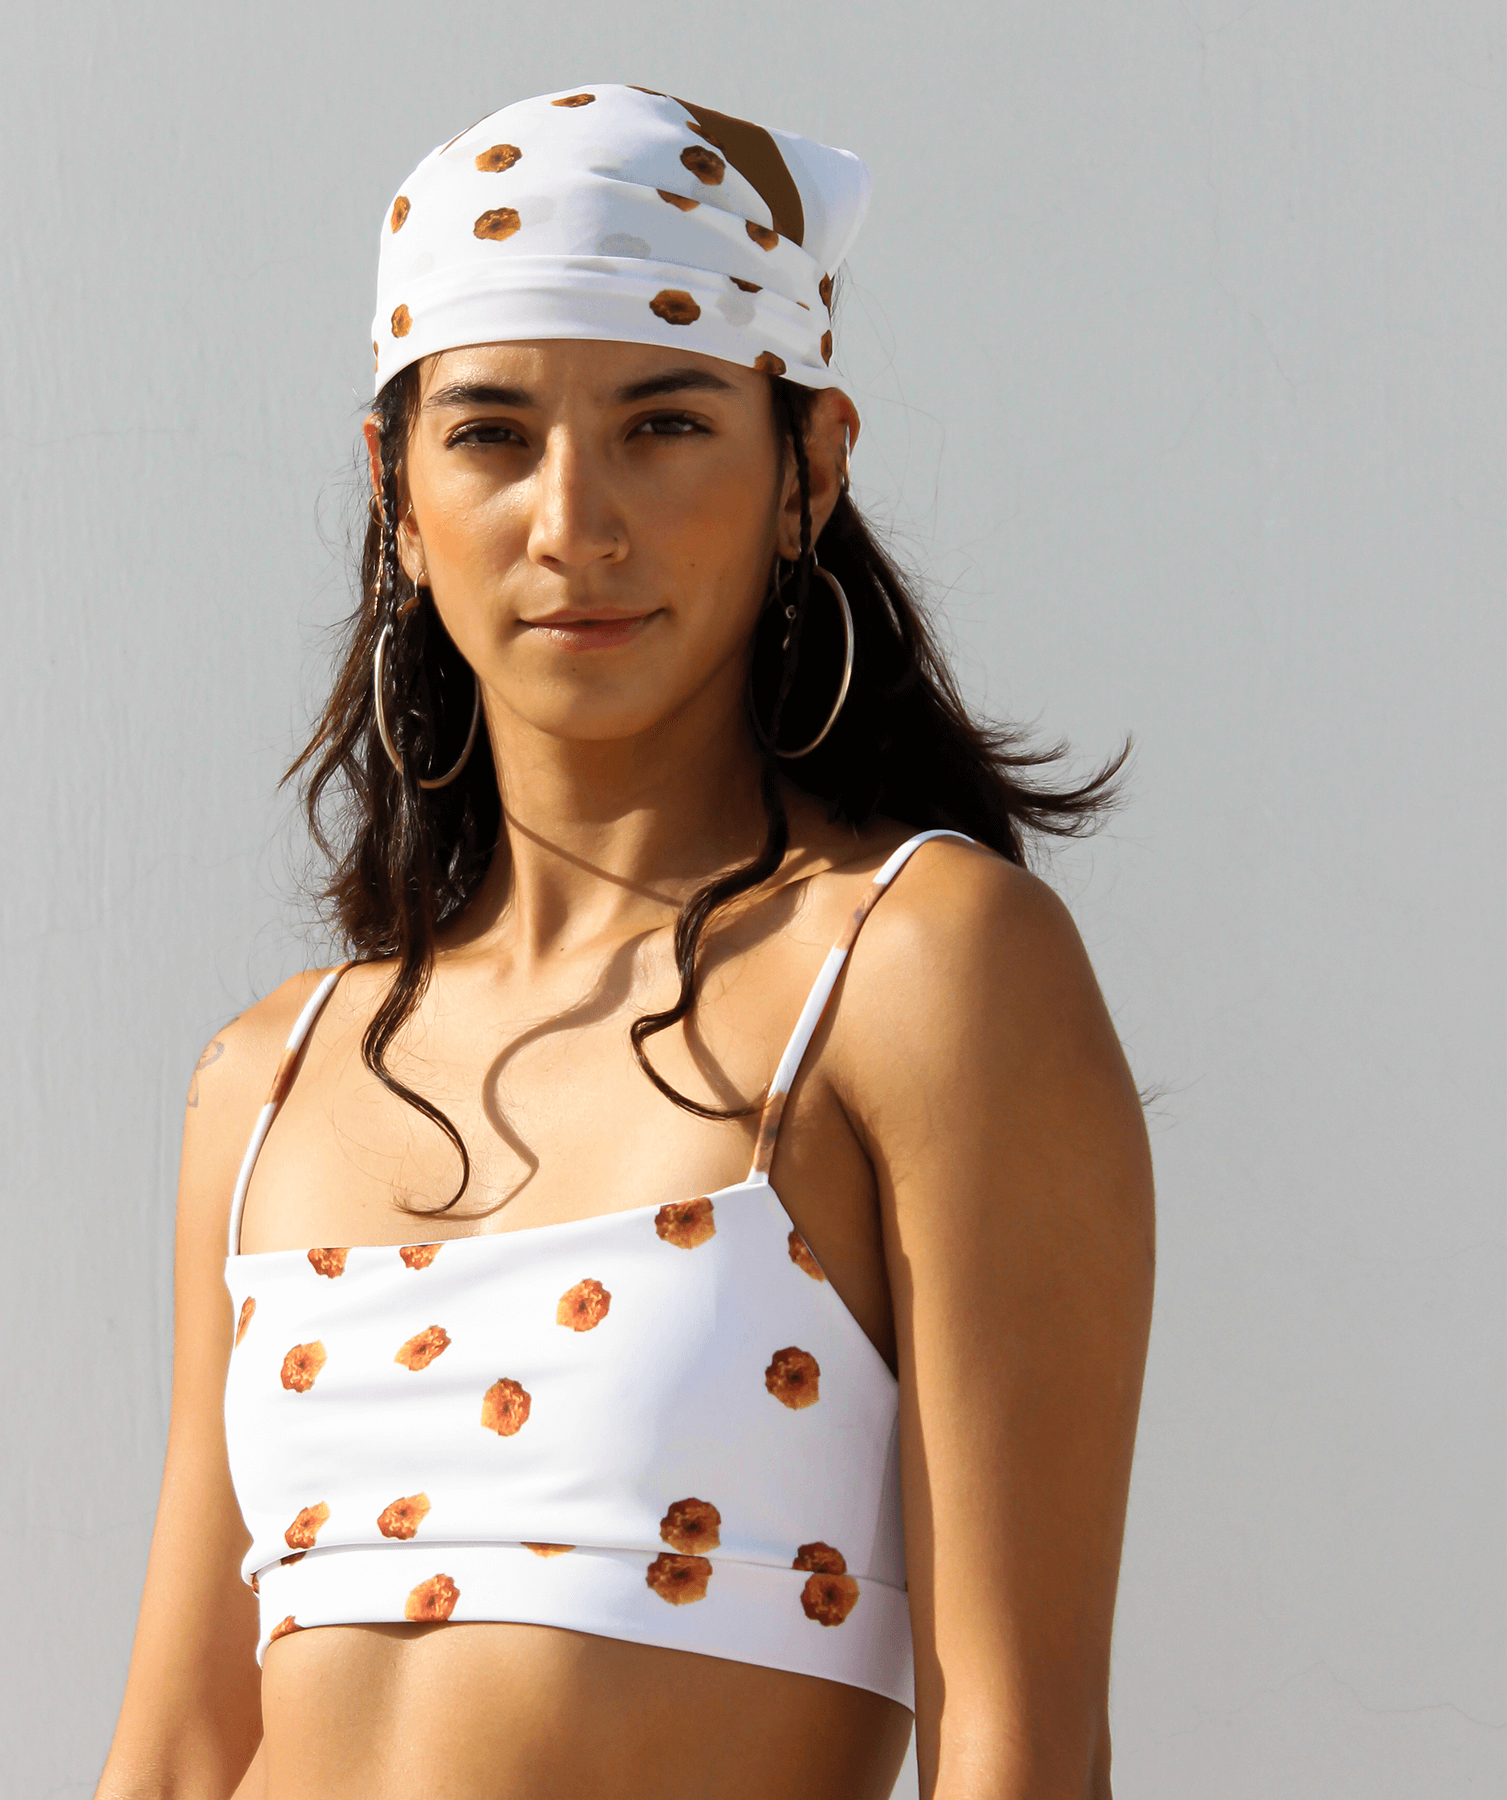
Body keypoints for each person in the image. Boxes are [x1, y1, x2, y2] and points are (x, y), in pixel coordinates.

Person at [96, 83, 1154, 1800]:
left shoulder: (919, 969)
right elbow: (173, 1753)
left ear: (809, 466)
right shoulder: (267, 1078)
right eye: (491, 432)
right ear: (393, 486)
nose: (573, 522)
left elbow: (1019, 1752)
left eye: (665, 424)